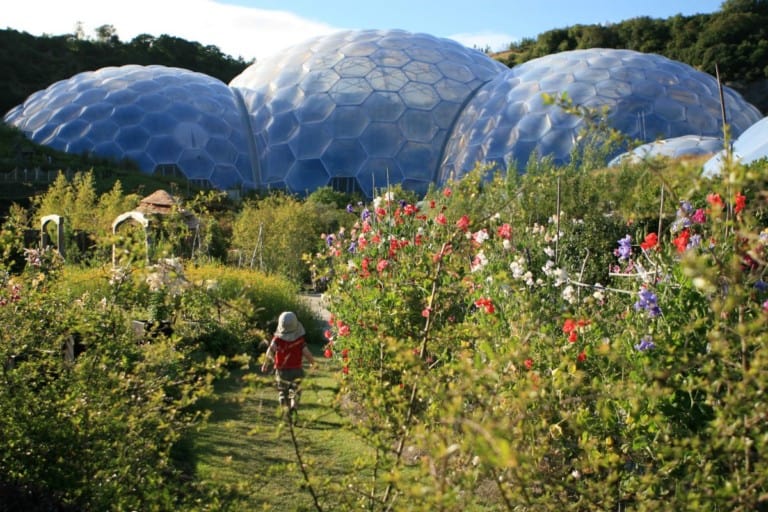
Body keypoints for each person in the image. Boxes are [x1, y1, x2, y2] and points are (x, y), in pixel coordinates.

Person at [261, 311, 316, 414]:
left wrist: (265, 364)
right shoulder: (299, 340)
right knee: (294, 390)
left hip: (281, 370)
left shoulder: (277, 339)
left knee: (283, 390)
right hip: (296, 369)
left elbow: (270, 351)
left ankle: (283, 401)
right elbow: (306, 352)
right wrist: (313, 363)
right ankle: (293, 405)